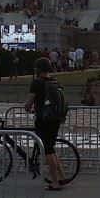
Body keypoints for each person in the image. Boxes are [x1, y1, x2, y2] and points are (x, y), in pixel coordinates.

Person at [24, 57, 68, 190]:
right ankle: (62, 176)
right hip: (55, 119)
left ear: (38, 70)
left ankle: (55, 182)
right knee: (51, 148)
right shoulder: (54, 82)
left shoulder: (37, 83)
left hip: (44, 120)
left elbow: (29, 103)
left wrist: (27, 108)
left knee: (47, 150)